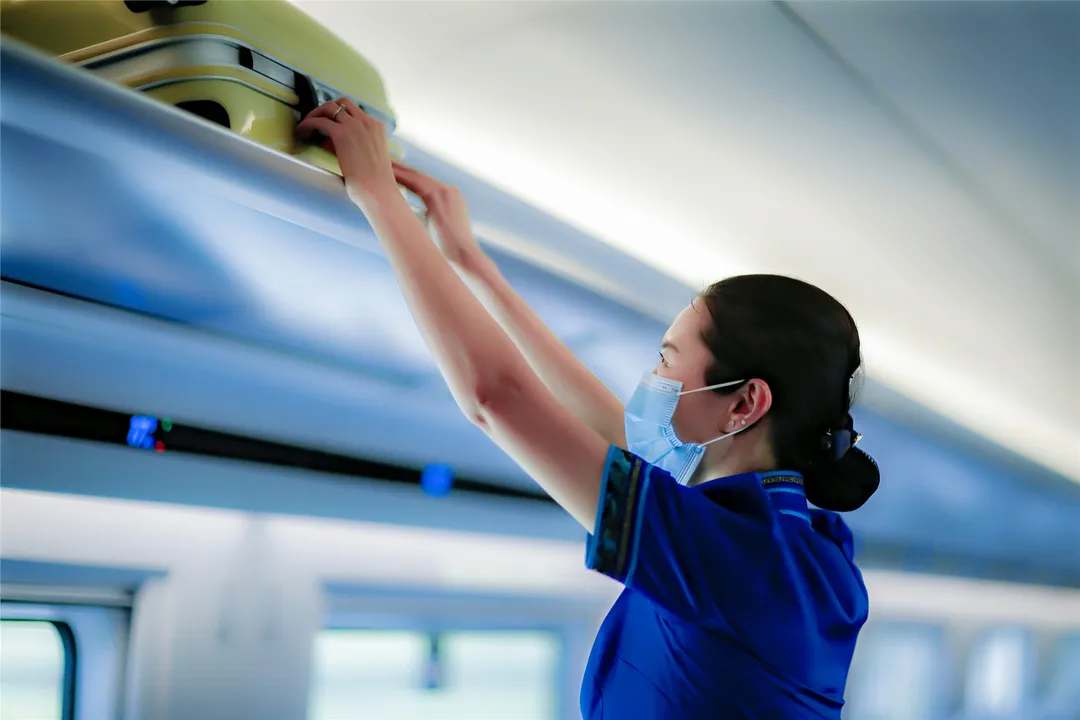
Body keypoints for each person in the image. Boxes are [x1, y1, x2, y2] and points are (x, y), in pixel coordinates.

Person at [296, 99, 881, 719]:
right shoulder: (793, 545)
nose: (651, 378)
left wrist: (380, 200)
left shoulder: (746, 560)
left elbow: (498, 397)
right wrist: (472, 264)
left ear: (742, 404)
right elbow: (606, 429)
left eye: (666, 357)